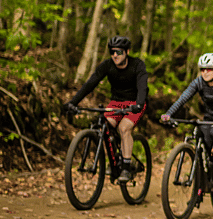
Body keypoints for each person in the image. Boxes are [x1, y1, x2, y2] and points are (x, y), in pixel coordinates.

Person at [63, 36, 149, 183]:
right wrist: (73, 102)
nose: (115, 55)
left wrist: (139, 104)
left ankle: (126, 167)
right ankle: (114, 159)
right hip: (116, 103)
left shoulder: (137, 65)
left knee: (124, 128)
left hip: (135, 103)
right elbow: (90, 83)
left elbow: (142, 87)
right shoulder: (107, 65)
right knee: (104, 126)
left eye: (119, 52)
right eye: (112, 52)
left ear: (127, 52)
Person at [161, 53, 213, 176]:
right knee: (200, 135)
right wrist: (168, 114)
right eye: (202, 69)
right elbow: (182, 99)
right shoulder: (199, 82)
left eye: (209, 69)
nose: (205, 72)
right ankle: (205, 171)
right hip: (209, 118)